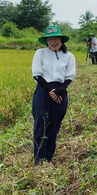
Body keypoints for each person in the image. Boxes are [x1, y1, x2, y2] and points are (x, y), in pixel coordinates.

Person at [31, 25, 76, 165]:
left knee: (54, 125)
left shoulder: (69, 56)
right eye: (50, 39)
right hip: (43, 90)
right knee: (41, 124)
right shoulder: (40, 53)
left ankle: (49, 157)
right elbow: (37, 74)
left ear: (61, 40)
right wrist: (51, 91)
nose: (53, 42)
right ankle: (39, 159)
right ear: (46, 41)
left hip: (61, 91)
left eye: (56, 38)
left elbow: (70, 76)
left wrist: (60, 90)